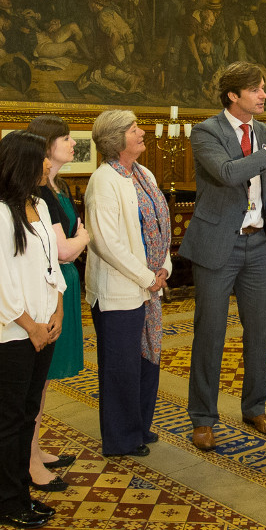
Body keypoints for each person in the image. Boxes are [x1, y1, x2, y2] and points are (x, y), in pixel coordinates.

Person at [179, 62, 266, 450]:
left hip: (257, 245)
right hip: (219, 244)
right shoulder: (206, 132)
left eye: (263, 88)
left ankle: (254, 406)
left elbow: (265, 180)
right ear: (233, 95)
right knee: (210, 333)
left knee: (261, 331)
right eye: (256, 89)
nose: (263, 95)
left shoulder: (263, 131)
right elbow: (228, 173)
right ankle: (202, 418)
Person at [0, 131, 65, 529]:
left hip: (44, 327)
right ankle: (6, 501)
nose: (48, 165)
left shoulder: (39, 206)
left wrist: (59, 310)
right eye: (42, 159)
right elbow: (0, 286)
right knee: (9, 420)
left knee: (28, 416)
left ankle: (23, 495)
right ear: (22, 164)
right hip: (12, 335)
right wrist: (31, 327)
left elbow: (51, 266)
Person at [84, 109, 171, 458]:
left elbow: (160, 226)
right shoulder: (103, 180)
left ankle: (138, 426)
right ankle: (120, 438)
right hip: (118, 292)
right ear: (115, 140)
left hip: (148, 287)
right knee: (121, 366)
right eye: (134, 130)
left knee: (147, 360)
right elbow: (106, 242)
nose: (142, 133)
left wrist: (162, 267)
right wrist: (147, 277)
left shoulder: (144, 173)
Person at [24, 115, 91, 491]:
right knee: (38, 379)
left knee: (44, 380)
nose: (72, 142)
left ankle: (35, 447)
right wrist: (85, 237)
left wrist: (78, 239)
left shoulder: (59, 185)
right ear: (47, 145)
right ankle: (30, 460)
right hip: (51, 288)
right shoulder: (41, 193)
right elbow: (64, 249)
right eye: (66, 137)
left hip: (64, 286)